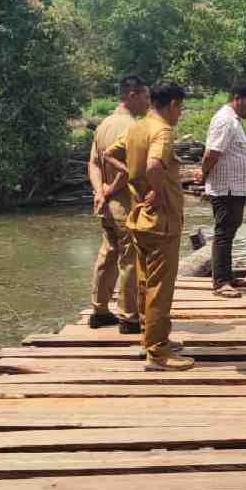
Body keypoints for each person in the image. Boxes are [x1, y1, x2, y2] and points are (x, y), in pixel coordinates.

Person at [105, 82, 195, 371]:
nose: (180, 114)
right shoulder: (162, 131)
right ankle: (158, 354)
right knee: (160, 288)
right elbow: (155, 164)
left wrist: (133, 178)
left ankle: (151, 340)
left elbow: (109, 154)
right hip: (161, 221)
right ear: (171, 105)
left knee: (145, 284)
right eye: (180, 108)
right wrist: (155, 189)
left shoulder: (136, 127)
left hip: (139, 218)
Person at [88, 74, 149, 333]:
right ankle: (129, 317)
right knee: (129, 259)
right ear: (132, 95)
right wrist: (111, 192)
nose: (148, 102)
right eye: (145, 96)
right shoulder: (133, 127)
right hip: (125, 205)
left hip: (105, 206)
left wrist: (99, 192)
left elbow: (92, 163)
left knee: (107, 254)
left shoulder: (103, 125)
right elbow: (129, 171)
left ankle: (99, 310)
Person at [200, 82, 246, 298]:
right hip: (225, 187)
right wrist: (203, 174)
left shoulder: (232, 120)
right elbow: (212, 152)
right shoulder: (225, 119)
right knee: (224, 232)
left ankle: (227, 275)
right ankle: (221, 282)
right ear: (237, 98)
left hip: (234, 187)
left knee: (230, 231)